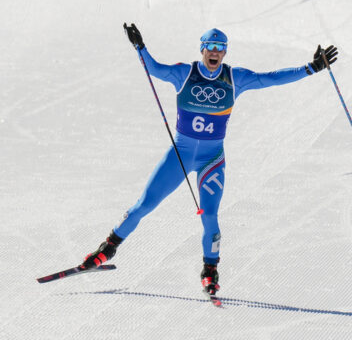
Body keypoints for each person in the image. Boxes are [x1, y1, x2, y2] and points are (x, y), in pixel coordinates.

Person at [80, 24, 338, 298]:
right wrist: (140, 47)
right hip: (180, 155)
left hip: (212, 158)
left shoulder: (234, 78)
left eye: (220, 48)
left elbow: (271, 79)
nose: (214, 53)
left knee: (211, 215)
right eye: (210, 47)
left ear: (225, 52)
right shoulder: (185, 73)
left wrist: (312, 68)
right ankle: (107, 248)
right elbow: (155, 69)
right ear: (202, 49)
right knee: (145, 204)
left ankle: (210, 271)